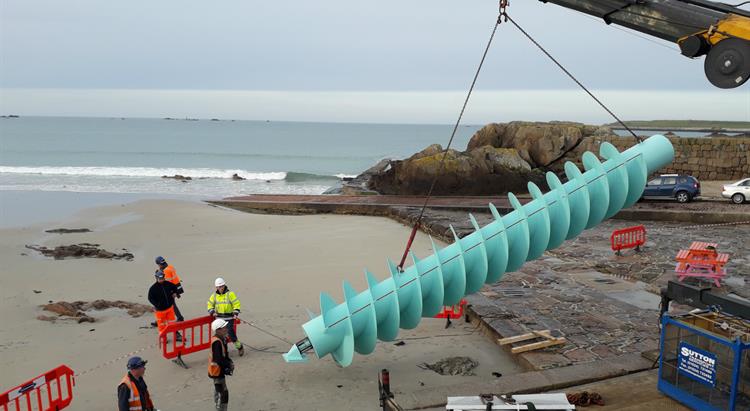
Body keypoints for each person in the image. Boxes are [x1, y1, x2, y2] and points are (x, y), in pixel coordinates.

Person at [206, 277, 244, 356]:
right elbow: (209, 304)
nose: (220, 288)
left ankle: (239, 347)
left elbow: (236, 304)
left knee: (230, 334)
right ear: (216, 287)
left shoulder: (230, 294)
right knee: (221, 336)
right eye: (218, 287)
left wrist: (235, 313)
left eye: (221, 286)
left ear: (224, 285)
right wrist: (212, 311)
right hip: (219, 319)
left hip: (229, 318)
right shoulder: (214, 296)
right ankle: (225, 352)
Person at [209, 319, 234, 411]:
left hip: (219, 371)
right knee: (223, 393)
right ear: (218, 330)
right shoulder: (217, 342)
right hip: (216, 372)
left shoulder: (221, 339)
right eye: (224, 327)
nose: (226, 329)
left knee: (219, 392)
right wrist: (227, 366)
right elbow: (218, 359)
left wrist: (229, 362)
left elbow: (224, 355)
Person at [147, 270, 180, 339]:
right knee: (162, 326)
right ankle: (163, 338)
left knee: (172, 323)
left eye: (162, 278)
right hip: (160, 311)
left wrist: (175, 293)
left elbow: (175, 288)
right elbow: (150, 298)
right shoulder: (153, 288)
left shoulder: (168, 284)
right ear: (156, 278)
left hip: (169, 309)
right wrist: (157, 304)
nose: (162, 280)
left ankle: (177, 335)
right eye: (160, 279)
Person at [155, 256, 184, 322]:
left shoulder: (165, 271)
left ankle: (161, 320)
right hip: (176, 288)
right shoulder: (170, 267)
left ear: (159, 264)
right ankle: (179, 317)